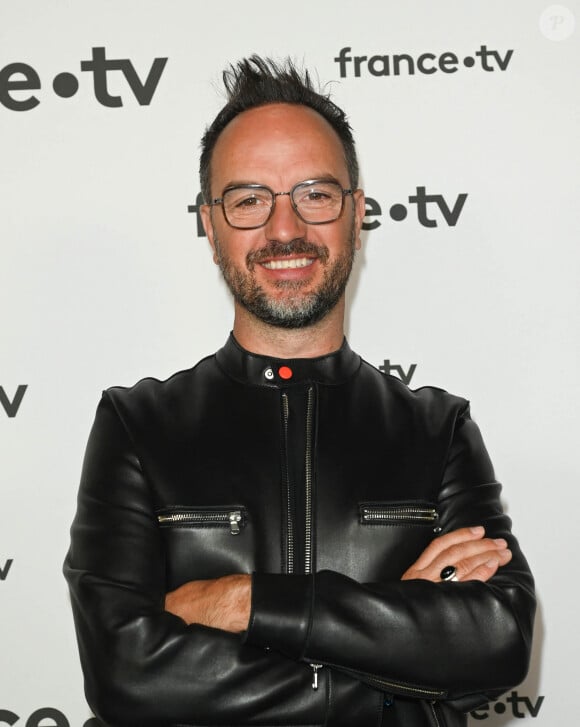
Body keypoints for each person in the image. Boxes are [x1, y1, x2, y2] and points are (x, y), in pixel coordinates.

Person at [64, 56, 535, 727]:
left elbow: (496, 639)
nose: (284, 230)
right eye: (250, 198)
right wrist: (395, 682)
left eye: (313, 193)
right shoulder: (138, 424)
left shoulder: (438, 429)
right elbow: (126, 675)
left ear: (356, 213)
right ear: (210, 223)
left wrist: (241, 600)